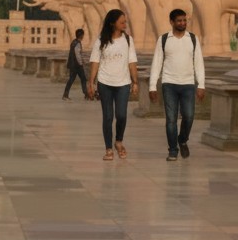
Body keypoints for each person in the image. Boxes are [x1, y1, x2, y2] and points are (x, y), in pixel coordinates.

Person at [148, 8, 206, 162]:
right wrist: (152, 86)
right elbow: (157, 63)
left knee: (189, 116)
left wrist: (201, 85)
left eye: (184, 20)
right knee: (171, 119)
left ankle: (182, 139)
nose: (182, 23)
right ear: (172, 22)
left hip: (187, 84)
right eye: (179, 21)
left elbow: (198, 63)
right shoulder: (164, 39)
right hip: (169, 84)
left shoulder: (192, 39)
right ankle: (173, 150)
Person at [87, 9, 138, 161]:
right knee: (108, 117)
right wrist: (91, 82)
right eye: (122, 22)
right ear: (112, 23)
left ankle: (119, 141)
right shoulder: (101, 41)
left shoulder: (128, 40)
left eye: (125, 21)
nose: (125, 24)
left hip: (123, 83)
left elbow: (132, 62)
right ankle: (108, 149)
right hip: (105, 83)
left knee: (121, 115)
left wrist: (135, 82)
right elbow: (95, 62)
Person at [62, 28, 87, 101]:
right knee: (83, 79)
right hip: (77, 65)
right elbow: (77, 54)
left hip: (72, 65)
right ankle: (86, 93)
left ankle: (65, 95)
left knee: (71, 80)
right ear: (81, 35)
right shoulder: (78, 43)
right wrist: (81, 63)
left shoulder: (73, 42)